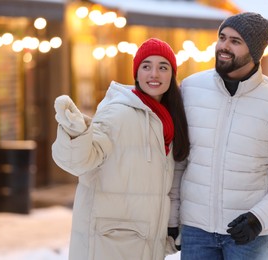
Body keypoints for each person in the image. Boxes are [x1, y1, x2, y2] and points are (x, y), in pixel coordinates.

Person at [177, 12, 268, 260]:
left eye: (235, 41)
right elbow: (178, 161)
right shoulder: (190, 89)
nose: (224, 47)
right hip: (196, 230)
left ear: (255, 51)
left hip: (249, 236)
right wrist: (172, 215)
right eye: (222, 37)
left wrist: (259, 219)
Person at [51, 38, 189, 260]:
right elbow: (81, 161)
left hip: (143, 241)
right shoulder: (117, 113)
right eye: (146, 66)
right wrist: (75, 133)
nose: (154, 74)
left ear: (172, 75)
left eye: (163, 67)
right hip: (109, 242)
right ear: (136, 73)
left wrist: (170, 226)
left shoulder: (168, 121)